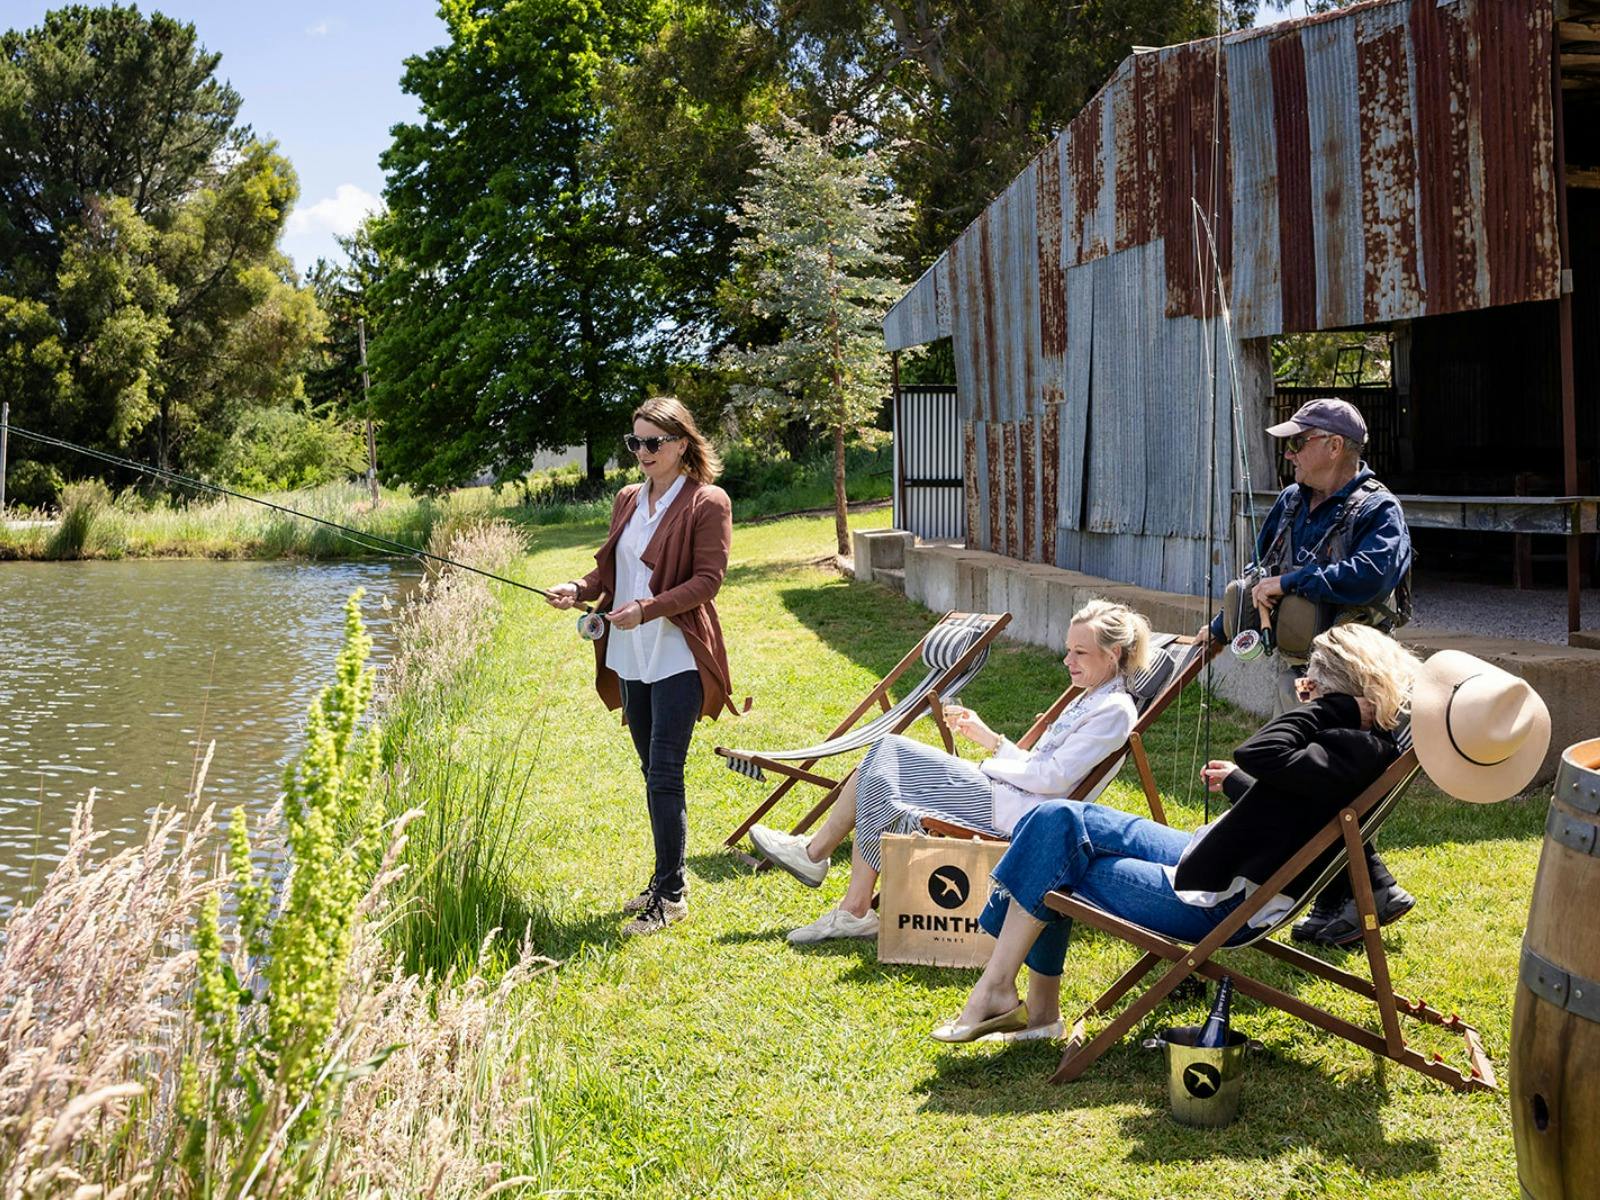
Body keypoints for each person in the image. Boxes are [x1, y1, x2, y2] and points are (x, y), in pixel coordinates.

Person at [934, 624, 1419, 1043]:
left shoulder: (1351, 746)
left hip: (1220, 901)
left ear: (1341, 690)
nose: (1303, 691)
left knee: (1055, 854)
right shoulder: (1359, 747)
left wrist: (1330, 709)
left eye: (1310, 683)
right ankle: (1026, 1006)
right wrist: (1253, 772)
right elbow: (1295, 801)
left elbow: (1260, 752)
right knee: (1057, 818)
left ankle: (1004, 994)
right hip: (1213, 860)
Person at [749, 600, 1149, 971]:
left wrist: (988, 765)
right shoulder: (1092, 696)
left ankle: (829, 873)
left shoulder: (1113, 710)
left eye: (1080, 652)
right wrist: (991, 739)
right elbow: (1043, 767)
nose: (1067, 660)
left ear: (1112, 654)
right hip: (1006, 795)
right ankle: (836, 884)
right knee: (880, 761)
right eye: (1068, 649)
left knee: (886, 754)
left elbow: (1054, 778)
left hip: (1015, 815)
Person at [1204, 397, 1415, 947]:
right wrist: (1221, 628)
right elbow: (1261, 571)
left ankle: (1367, 890)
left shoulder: (1379, 509)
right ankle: (1345, 895)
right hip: (1297, 666)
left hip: (1352, 676)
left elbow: (1371, 575)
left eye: (1299, 442)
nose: (1289, 454)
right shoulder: (1291, 501)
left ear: (1335, 446)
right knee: (1310, 785)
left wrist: (1295, 582)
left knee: (1321, 785)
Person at [545, 397, 738, 936]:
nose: (643, 452)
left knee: (665, 770)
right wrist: (578, 588)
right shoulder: (628, 498)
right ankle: (664, 879)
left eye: (654, 442)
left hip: (676, 652)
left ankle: (671, 896)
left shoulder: (707, 501)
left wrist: (647, 609)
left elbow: (707, 581)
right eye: (636, 442)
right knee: (652, 773)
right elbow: (611, 571)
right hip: (630, 652)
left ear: (682, 442)